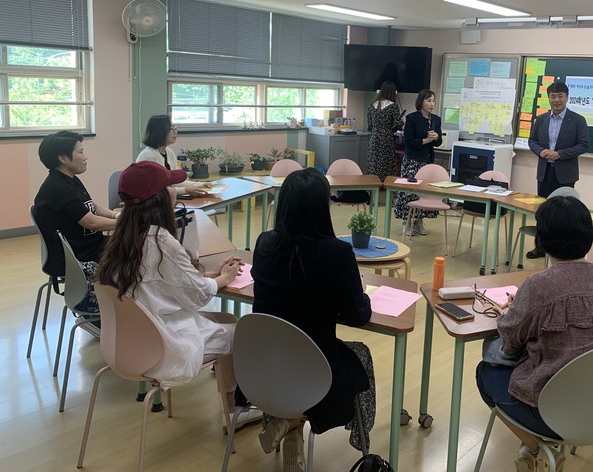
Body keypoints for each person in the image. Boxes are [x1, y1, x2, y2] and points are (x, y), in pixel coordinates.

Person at [93, 162, 261, 427]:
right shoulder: (161, 242)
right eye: (170, 186)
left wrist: (210, 274)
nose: (174, 190)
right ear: (159, 198)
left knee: (226, 320)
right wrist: (223, 279)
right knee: (238, 330)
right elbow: (198, 296)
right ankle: (233, 412)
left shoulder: (122, 238)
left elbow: (161, 282)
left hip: (124, 345)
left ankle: (232, 409)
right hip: (161, 346)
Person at [475, 196, 593, 472]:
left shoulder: (538, 286)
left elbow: (509, 344)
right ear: (589, 237)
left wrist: (509, 314)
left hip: (553, 412)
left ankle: (535, 447)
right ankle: (535, 449)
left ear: (541, 239)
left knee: (485, 372)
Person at [251, 168, 373, 472]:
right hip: (317, 373)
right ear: (322, 207)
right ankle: (360, 443)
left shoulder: (264, 244)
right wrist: (363, 295)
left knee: (292, 351)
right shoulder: (337, 253)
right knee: (361, 353)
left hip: (264, 367)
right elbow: (357, 315)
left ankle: (290, 423)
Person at [33, 131, 117, 313]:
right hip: (78, 256)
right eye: (81, 152)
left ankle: (124, 305)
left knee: (138, 245)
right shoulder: (57, 188)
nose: (85, 157)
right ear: (63, 158)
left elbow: (92, 206)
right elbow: (91, 223)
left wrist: (115, 216)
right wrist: (130, 222)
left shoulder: (70, 180)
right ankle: (116, 308)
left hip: (90, 246)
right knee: (137, 251)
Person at [526, 81, 589, 259]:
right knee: (543, 211)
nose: (556, 100)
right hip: (544, 172)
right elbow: (532, 141)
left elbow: (584, 145)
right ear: (548, 98)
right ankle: (540, 247)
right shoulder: (541, 119)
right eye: (553, 96)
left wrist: (559, 154)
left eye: (560, 96)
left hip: (565, 175)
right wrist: (541, 152)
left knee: (564, 214)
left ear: (567, 98)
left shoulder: (577, 120)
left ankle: (561, 248)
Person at [393, 89, 442, 237]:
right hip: (412, 161)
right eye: (428, 100)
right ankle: (406, 221)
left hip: (427, 161)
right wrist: (424, 141)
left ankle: (418, 221)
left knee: (424, 193)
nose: (432, 104)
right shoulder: (412, 118)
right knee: (409, 193)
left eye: (433, 101)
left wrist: (436, 137)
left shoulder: (436, 119)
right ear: (421, 102)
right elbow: (408, 141)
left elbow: (438, 142)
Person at [136, 114, 211, 196]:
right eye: (171, 129)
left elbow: (177, 181)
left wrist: (202, 185)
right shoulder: (148, 156)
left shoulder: (169, 152)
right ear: (160, 131)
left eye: (175, 128)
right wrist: (185, 190)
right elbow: (156, 189)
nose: (175, 133)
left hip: (169, 197)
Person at [366, 81, 404, 182]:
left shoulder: (371, 106)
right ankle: (386, 186)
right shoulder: (393, 106)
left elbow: (369, 126)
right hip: (387, 139)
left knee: (374, 163)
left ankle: (373, 185)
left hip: (374, 139)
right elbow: (398, 125)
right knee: (387, 165)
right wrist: (400, 123)